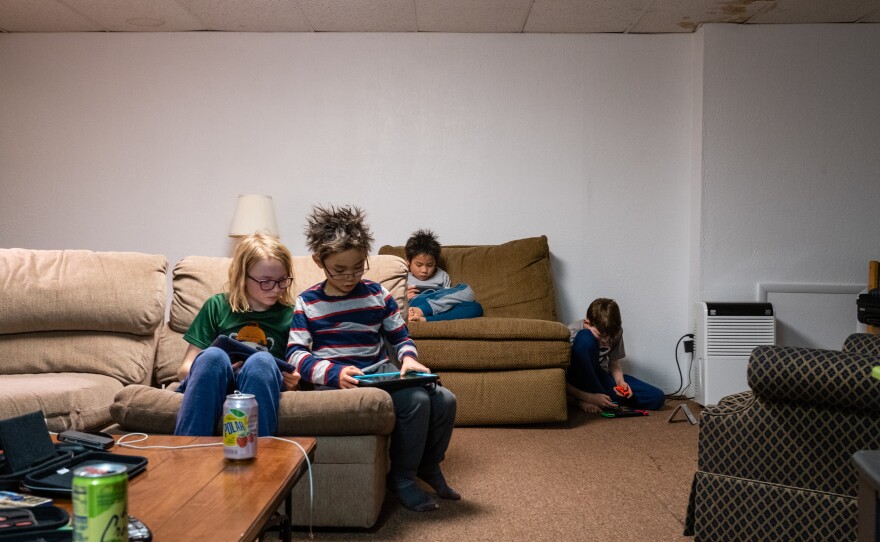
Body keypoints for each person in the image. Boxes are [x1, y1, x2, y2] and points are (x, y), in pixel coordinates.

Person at [287, 205, 459, 512]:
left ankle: (429, 466)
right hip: (340, 383)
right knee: (417, 400)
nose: (350, 276)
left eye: (357, 267)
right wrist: (331, 373)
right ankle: (403, 479)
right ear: (319, 261)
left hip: (380, 375)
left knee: (445, 399)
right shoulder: (307, 301)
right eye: (339, 269)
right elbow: (296, 354)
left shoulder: (378, 294)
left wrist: (408, 359)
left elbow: (400, 336)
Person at [174, 232, 301, 437]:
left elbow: (294, 372)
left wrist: (293, 383)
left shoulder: (291, 315)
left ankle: (259, 460)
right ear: (242, 277)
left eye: (282, 280)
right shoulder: (217, 306)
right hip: (215, 379)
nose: (276, 289)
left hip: (260, 380)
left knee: (261, 360)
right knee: (213, 356)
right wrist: (225, 366)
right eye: (266, 281)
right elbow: (184, 370)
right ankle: (187, 454)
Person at [566, 298, 665, 413]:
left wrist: (620, 382)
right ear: (587, 323)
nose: (605, 340)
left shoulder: (614, 331)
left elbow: (614, 362)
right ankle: (579, 400)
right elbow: (562, 379)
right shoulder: (572, 331)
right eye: (601, 335)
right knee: (585, 337)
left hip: (601, 377)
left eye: (610, 337)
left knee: (657, 397)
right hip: (577, 379)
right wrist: (590, 397)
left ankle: (606, 399)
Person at [404, 229, 483, 323]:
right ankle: (422, 311)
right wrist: (403, 298)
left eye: (430, 265)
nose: (424, 270)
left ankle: (424, 319)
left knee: (475, 307)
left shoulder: (442, 276)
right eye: (419, 265)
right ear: (408, 260)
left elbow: (448, 300)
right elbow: (388, 304)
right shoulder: (402, 276)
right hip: (415, 304)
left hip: (438, 306)